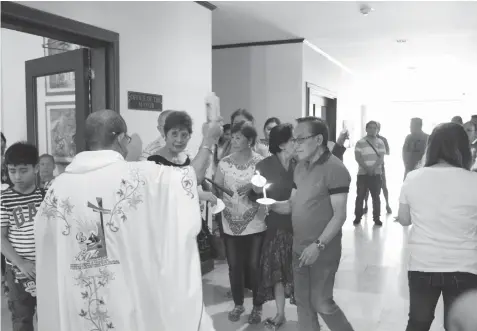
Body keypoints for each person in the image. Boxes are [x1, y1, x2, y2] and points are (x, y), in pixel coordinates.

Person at [34, 109, 222, 331]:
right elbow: (191, 178)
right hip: (126, 288)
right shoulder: (137, 175)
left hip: (80, 293)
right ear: (121, 138)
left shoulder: (59, 186)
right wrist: (209, 139)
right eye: (128, 138)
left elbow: (46, 238)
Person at [271, 117, 354, 331]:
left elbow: (340, 215)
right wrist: (269, 206)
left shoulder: (335, 169)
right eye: (294, 140)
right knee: (303, 304)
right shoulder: (299, 167)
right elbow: (291, 204)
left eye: (300, 139)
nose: (295, 145)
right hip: (299, 248)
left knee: (322, 303)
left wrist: (318, 245)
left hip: (322, 251)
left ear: (318, 140)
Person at [396, 122, 477, 331]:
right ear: (464, 147)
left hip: (423, 264)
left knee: (418, 323)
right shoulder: (474, 181)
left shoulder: (412, 178)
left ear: (431, 146)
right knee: (459, 325)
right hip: (465, 266)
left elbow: (404, 219)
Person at [214, 121, 266, 324]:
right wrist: (216, 194)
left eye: (238, 137)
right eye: (232, 137)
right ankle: (238, 304)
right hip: (230, 221)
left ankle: (258, 306)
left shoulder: (260, 162)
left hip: (255, 221)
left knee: (254, 265)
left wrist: (253, 186)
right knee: (234, 265)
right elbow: (216, 188)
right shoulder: (224, 162)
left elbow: (266, 190)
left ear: (250, 140)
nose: (233, 140)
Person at [254, 124, 295, 329]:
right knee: (278, 272)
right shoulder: (264, 166)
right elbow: (256, 194)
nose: (297, 143)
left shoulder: (302, 164)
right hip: (276, 226)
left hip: (299, 225)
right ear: (282, 144)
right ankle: (280, 314)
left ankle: (308, 314)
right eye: (293, 140)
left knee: (300, 271)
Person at [1, 142, 44, 331]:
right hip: (18, 271)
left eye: (23, 170)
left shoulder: (46, 195)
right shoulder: (4, 199)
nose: (16, 176)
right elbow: (1, 238)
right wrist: (21, 263)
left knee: (48, 314)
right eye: (12, 171)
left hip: (45, 268)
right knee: (22, 319)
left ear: (36, 168)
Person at [353, 121, 386, 226]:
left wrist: (373, 168)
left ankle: (377, 218)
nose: (372, 130)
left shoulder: (380, 142)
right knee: (360, 196)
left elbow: (381, 158)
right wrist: (367, 168)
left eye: (374, 128)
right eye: (370, 128)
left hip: (376, 174)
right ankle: (358, 217)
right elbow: (358, 157)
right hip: (362, 174)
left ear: (377, 130)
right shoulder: (360, 142)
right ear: (366, 129)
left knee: (376, 197)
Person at [363, 122, 392, 215]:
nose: (374, 130)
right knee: (366, 187)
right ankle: (365, 205)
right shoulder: (364, 140)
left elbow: (387, 152)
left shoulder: (383, 139)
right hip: (367, 166)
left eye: (376, 128)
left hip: (380, 166)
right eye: (371, 128)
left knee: (383, 186)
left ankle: (387, 204)